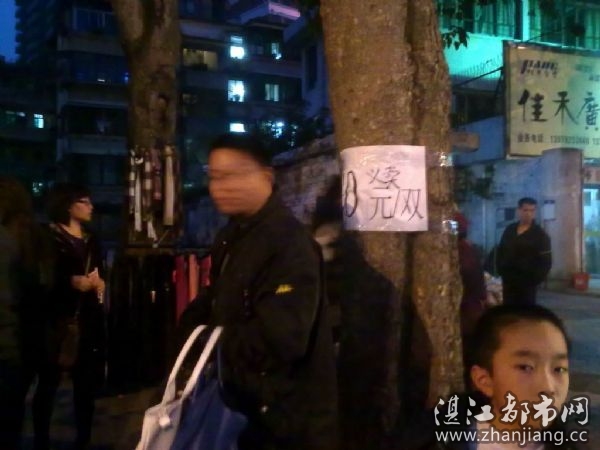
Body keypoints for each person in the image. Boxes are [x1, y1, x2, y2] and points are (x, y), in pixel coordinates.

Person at [178, 133, 339, 450]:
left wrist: (210, 342)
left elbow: (283, 340)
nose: (220, 187)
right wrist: (190, 331)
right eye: (215, 176)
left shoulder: (288, 244)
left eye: (233, 175)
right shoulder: (232, 235)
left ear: (267, 176)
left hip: (282, 423)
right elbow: (214, 300)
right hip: (240, 409)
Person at [35, 183, 106, 450]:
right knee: (49, 381)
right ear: (68, 206)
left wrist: (100, 283)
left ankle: (83, 439)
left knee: (85, 384)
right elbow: (41, 278)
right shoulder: (49, 238)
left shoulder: (91, 238)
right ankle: (41, 439)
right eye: (84, 202)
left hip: (88, 318)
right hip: (58, 319)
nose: (91, 207)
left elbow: (99, 270)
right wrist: (70, 282)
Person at [497, 198, 552, 305]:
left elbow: (546, 262)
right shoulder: (510, 230)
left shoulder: (540, 235)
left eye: (532, 210)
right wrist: (501, 271)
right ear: (519, 211)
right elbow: (501, 251)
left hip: (527, 285)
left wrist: (534, 280)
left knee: (525, 311)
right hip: (508, 282)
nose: (528, 214)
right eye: (525, 210)